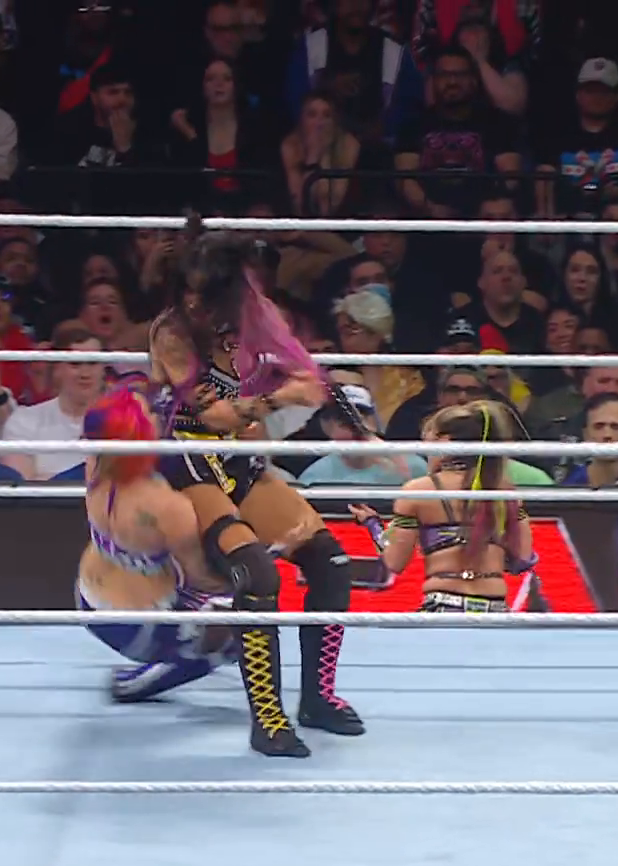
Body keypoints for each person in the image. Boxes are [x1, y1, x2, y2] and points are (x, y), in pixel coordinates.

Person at [143, 215, 362, 756]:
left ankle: (319, 699)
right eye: (188, 290)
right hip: (186, 459)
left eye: (205, 294)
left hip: (238, 459)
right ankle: (267, 718)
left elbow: (301, 371)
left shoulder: (254, 320)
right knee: (258, 574)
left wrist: (328, 398)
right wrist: (283, 397)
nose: (194, 303)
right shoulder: (171, 332)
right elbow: (214, 415)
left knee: (331, 562)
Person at [74, 388, 308, 752]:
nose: (157, 414)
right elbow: (201, 579)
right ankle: (150, 678)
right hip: (138, 626)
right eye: (149, 414)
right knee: (242, 621)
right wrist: (268, 555)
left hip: (87, 597)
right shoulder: (166, 506)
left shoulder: (96, 465)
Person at [349, 400, 536, 613]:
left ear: (444, 442)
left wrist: (373, 525)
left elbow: (394, 562)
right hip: (495, 610)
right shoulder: (504, 491)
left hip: (443, 609)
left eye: (427, 443)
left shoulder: (418, 491)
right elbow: (523, 559)